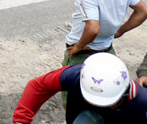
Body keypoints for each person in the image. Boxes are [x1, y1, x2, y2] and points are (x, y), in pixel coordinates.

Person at [13, 52, 147, 123]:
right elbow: (38, 86)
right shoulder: (76, 75)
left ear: (123, 93)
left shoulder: (141, 103)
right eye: (91, 100)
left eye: (108, 103)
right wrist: (21, 120)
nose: (99, 106)